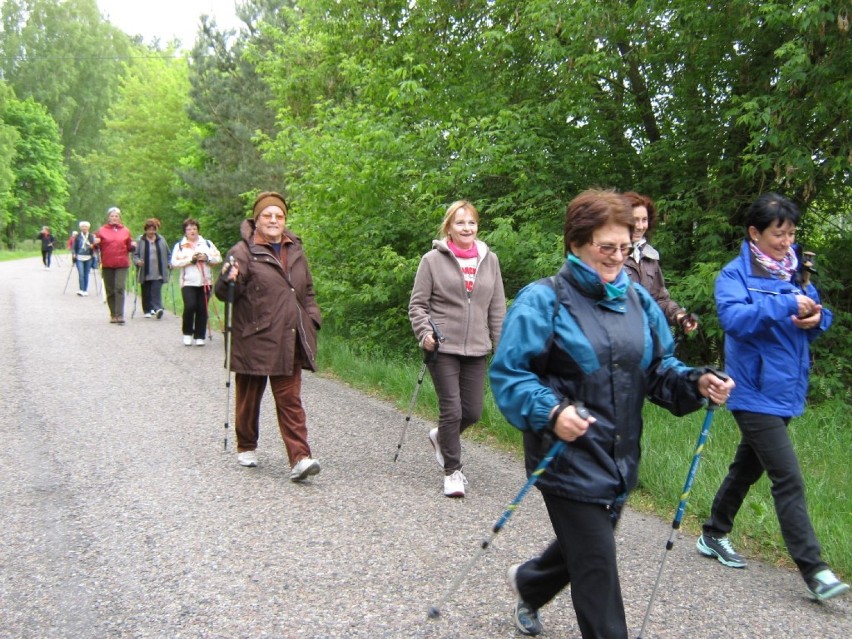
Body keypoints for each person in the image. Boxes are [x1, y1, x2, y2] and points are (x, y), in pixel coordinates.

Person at [489, 188, 734, 639]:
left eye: (625, 247)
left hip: (620, 459)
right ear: (577, 242)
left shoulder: (640, 303)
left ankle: (529, 581)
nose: (618, 256)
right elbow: (510, 375)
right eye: (607, 247)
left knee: (584, 549)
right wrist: (552, 410)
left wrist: (696, 383)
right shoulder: (544, 300)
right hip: (565, 456)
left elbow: (660, 370)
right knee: (598, 566)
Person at [696, 192, 848, 602]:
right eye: (778, 234)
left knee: (748, 466)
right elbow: (734, 320)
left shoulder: (795, 271)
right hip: (751, 391)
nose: (786, 241)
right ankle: (815, 570)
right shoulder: (734, 276)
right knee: (788, 477)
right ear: (754, 233)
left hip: (786, 388)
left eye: (791, 233)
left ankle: (713, 531)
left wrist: (818, 318)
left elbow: (814, 314)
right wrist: (785, 307)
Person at [214, 192, 322, 481]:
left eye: (279, 216)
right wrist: (227, 280)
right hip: (255, 335)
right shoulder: (243, 251)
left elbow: (307, 290)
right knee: (249, 397)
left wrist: (312, 318)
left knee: (291, 400)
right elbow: (225, 294)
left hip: (290, 336)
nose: (274, 220)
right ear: (257, 219)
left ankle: (300, 458)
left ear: (285, 219)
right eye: (267, 215)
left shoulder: (295, 248)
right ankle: (246, 444)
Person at [409, 200, 506, 498]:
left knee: (473, 412)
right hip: (443, 346)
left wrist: (501, 348)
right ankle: (453, 471)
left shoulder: (490, 260)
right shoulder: (432, 260)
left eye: (472, 223)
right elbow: (417, 305)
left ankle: (441, 437)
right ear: (449, 227)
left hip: (478, 347)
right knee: (451, 410)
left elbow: (497, 309)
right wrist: (425, 333)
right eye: (460, 223)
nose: (467, 228)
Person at [623, 191, 698, 334]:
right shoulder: (611, 257)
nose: (640, 226)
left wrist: (680, 316)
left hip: (649, 339)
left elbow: (660, 301)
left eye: (644, 220)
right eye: (635, 220)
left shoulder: (650, 257)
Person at [170, 218, 221, 345]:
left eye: (194, 228)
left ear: (198, 230)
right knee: (190, 306)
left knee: (202, 308)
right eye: (189, 229)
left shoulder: (207, 243)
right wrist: (190, 260)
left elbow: (218, 258)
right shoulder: (180, 246)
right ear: (185, 232)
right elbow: (174, 262)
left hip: (205, 281)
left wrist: (207, 258)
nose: (192, 231)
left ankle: (200, 336)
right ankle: (187, 333)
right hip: (188, 282)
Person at [93, 207, 136, 324]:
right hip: (107, 263)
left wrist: (133, 246)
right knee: (110, 289)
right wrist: (95, 244)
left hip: (122, 263)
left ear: (120, 218)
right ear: (108, 218)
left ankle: (120, 314)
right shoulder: (102, 230)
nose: (114, 218)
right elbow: (96, 247)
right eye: (112, 216)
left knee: (119, 287)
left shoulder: (125, 230)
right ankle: (113, 314)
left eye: (116, 216)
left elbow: (129, 247)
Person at [133, 218, 170, 319]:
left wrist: (169, 263)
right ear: (145, 230)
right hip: (145, 271)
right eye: (149, 229)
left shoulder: (161, 240)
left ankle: (158, 308)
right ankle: (147, 310)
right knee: (146, 291)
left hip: (158, 271)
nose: (151, 232)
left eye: (153, 229)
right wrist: (137, 262)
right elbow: (135, 255)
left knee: (156, 290)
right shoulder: (140, 240)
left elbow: (168, 253)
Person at [71, 221, 96, 296]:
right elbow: (74, 246)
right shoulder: (77, 236)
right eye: (83, 226)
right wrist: (73, 254)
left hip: (89, 257)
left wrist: (93, 246)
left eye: (86, 226)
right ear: (80, 228)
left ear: (88, 228)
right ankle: (81, 289)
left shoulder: (91, 236)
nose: (84, 228)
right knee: (81, 274)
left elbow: (95, 246)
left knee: (86, 274)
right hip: (79, 257)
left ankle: (85, 290)